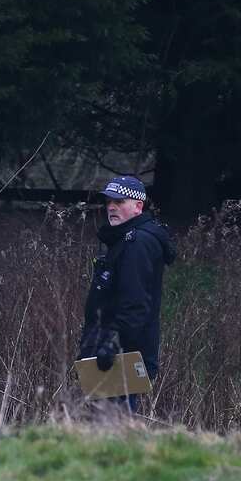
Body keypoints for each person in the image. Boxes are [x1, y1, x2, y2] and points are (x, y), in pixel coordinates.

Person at [78, 175, 176, 412]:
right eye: (109, 201)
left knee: (114, 423)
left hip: (121, 356)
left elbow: (136, 303)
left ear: (138, 206)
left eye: (120, 201)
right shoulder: (122, 240)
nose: (111, 207)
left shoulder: (137, 243)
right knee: (101, 424)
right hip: (108, 351)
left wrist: (112, 344)